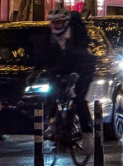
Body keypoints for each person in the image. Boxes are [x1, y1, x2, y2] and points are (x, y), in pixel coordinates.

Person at [33, 8, 94, 150]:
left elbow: (81, 54)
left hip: (82, 69)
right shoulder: (48, 36)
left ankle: (86, 134)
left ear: (66, 22)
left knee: (78, 100)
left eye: (59, 22)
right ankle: (52, 123)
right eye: (53, 22)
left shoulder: (76, 34)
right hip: (60, 69)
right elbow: (42, 55)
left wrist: (77, 74)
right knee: (51, 95)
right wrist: (35, 72)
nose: (55, 25)